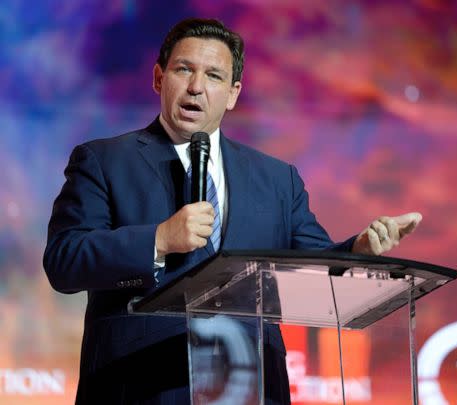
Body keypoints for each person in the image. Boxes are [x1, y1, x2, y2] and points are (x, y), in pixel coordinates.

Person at [43, 18, 422, 404]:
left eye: (213, 76)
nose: (196, 87)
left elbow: (315, 266)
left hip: (252, 386)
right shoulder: (104, 160)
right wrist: (158, 240)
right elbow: (64, 261)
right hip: (140, 386)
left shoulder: (276, 179)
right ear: (159, 78)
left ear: (233, 93)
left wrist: (359, 250)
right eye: (183, 69)